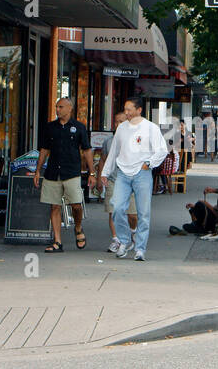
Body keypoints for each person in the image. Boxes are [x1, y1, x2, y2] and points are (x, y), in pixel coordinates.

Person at [101, 96, 167, 261]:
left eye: (130, 109)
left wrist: (149, 163)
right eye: (125, 109)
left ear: (139, 110)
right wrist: (105, 172)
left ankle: (140, 249)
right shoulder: (122, 128)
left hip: (142, 174)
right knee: (116, 207)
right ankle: (123, 241)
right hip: (123, 173)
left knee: (143, 213)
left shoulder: (151, 128)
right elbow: (114, 151)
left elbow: (162, 150)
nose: (127, 112)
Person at [33, 97, 93, 252]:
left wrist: (92, 172)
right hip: (53, 171)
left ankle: (78, 228)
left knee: (76, 205)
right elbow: (44, 149)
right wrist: (38, 170)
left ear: (69, 108)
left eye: (60, 107)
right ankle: (57, 241)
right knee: (54, 206)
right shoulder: (50, 127)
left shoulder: (79, 127)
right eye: (56, 107)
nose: (57, 110)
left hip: (72, 171)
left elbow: (86, 150)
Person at [102, 111, 138, 251]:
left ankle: (133, 233)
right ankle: (116, 240)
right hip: (113, 180)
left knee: (132, 214)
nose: (118, 125)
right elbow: (104, 160)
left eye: (122, 122)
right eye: (116, 122)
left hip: (131, 181)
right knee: (114, 211)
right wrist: (100, 177)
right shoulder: (109, 141)